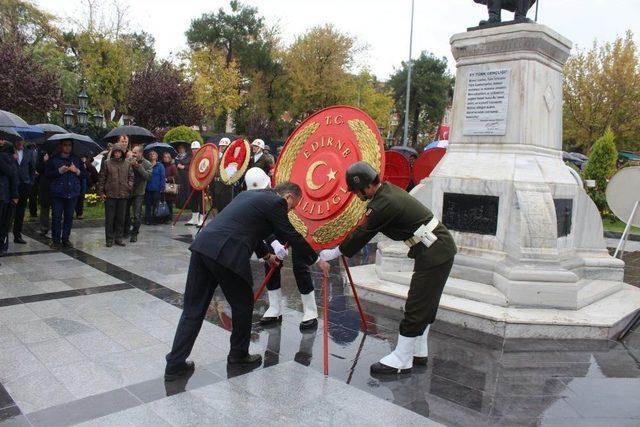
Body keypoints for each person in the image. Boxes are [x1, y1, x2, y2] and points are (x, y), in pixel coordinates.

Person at [164, 181, 331, 381]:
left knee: (193, 310)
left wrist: (267, 255)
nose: (290, 211)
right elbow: (290, 234)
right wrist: (317, 259)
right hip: (226, 253)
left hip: (203, 248)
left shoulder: (249, 196)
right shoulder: (276, 203)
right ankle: (238, 355)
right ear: (288, 197)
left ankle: (175, 364)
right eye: (292, 207)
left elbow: (251, 229)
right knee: (243, 304)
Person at [319, 161, 457, 375]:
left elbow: (362, 233)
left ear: (366, 186)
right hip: (436, 248)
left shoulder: (383, 203)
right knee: (426, 303)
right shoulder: (387, 192)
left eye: (356, 191)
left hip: (435, 252)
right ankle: (418, 350)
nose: (356, 195)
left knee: (418, 303)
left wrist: (335, 252)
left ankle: (402, 358)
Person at [244, 167, 319, 330]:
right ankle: (275, 307)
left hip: (300, 228)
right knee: (271, 261)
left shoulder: (283, 197)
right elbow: (264, 226)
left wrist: (317, 259)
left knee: (300, 266)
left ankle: (311, 310)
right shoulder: (271, 198)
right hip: (280, 227)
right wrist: (274, 244)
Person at [45, 138, 86, 249]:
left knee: (69, 217)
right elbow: (47, 174)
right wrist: (59, 171)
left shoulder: (76, 159)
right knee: (56, 217)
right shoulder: (54, 159)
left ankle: (66, 239)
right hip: (58, 193)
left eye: (69, 145)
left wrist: (76, 170)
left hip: (72, 193)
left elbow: (84, 175)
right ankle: (56, 240)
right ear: (61, 146)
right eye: (65, 145)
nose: (67, 147)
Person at [97, 145, 133, 247]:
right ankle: (109, 239)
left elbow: (131, 177)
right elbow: (102, 178)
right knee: (110, 218)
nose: (117, 154)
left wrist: (128, 187)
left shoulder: (127, 163)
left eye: (119, 152)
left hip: (123, 194)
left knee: (120, 218)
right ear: (113, 153)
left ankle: (119, 238)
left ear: (122, 153)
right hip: (110, 194)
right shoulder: (107, 163)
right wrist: (101, 192)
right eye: (116, 152)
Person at [124, 146, 151, 242]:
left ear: (140, 153)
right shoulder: (127, 161)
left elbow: (148, 177)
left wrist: (138, 166)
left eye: (135, 153)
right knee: (125, 213)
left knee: (137, 214)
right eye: (133, 152)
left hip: (139, 192)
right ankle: (126, 231)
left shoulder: (147, 163)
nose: (134, 155)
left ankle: (134, 234)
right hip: (127, 191)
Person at [12, 140, 36, 244]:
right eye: (17, 141)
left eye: (21, 140)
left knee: (20, 212)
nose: (19, 143)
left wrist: (30, 183)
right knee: (8, 212)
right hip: (11, 186)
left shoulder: (28, 152)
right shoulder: (9, 152)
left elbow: (32, 169)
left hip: (24, 186)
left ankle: (17, 235)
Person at [0, 140, 18, 257]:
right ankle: (3, 246)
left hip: (3, 194)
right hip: (6, 195)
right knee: (5, 223)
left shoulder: (3, 158)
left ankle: (2, 246)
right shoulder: (11, 159)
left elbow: (12, 174)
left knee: (3, 222)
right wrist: (15, 195)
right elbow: (14, 176)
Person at [210, 137, 234, 213]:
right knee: (218, 204)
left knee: (226, 205)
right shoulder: (217, 155)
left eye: (223, 146)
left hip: (226, 184)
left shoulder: (231, 157)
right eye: (220, 146)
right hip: (217, 183)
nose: (221, 147)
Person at [144, 150, 165, 225]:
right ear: (149, 157)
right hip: (148, 188)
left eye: (154, 154)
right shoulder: (147, 165)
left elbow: (162, 177)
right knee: (148, 205)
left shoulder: (160, 165)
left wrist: (162, 187)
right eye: (151, 154)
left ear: (157, 156)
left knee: (156, 205)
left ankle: (156, 219)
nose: (152, 155)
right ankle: (148, 220)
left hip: (157, 189)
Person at [185, 141, 203, 226]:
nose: (194, 150)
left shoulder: (203, 157)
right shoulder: (190, 157)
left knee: (201, 200)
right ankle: (194, 218)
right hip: (192, 181)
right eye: (193, 149)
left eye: (196, 149)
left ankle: (202, 219)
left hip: (201, 181)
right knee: (193, 199)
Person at [36, 149, 51, 236]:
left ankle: (55, 227)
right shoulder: (43, 154)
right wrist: (44, 161)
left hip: (55, 185)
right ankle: (44, 227)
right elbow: (39, 169)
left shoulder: (57, 156)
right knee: (44, 208)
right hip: (44, 186)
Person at [161, 151, 178, 224]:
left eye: (167, 157)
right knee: (163, 202)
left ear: (170, 158)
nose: (166, 158)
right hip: (162, 186)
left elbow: (176, 176)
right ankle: (163, 217)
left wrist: (167, 179)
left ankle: (169, 217)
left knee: (169, 203)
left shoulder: (172, 166)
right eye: (164, 157)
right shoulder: (161, 165)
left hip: (169, 186)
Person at [174, 142, 191, 212]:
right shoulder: (176, 157)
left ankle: (187, 205)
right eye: (179, 148)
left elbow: (191, 166)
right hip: (179, 176)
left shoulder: (189, 157)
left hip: (186, 176)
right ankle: (180, 204)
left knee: (186, 190)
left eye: (182, 148)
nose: (180, 150)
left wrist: (184, 167)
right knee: (180, 190)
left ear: (184, 149)